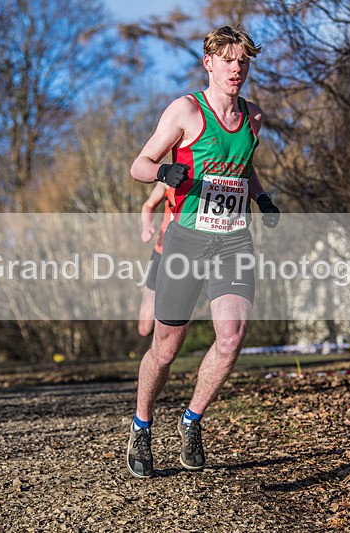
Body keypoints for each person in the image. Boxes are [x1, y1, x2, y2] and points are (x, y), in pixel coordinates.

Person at [126, 25, 280, 479]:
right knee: (165, 349)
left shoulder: (254, 118)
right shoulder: (186, 110)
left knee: (230, 340)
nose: (237, 69)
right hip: (186, 241)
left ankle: (192, 421)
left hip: (233, 240)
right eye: (228, 60)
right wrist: (165, 172)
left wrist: (262, 196)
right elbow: (139, 165)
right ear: (209, 63)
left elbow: (244, 168)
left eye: (243, 61)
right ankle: (141, 425)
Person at [138, 182, 172, 337]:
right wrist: (146, 225)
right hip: (160, 252)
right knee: (144, 328)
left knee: (166, 324)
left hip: (187, 257)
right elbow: (148, 205)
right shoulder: (167, 179)